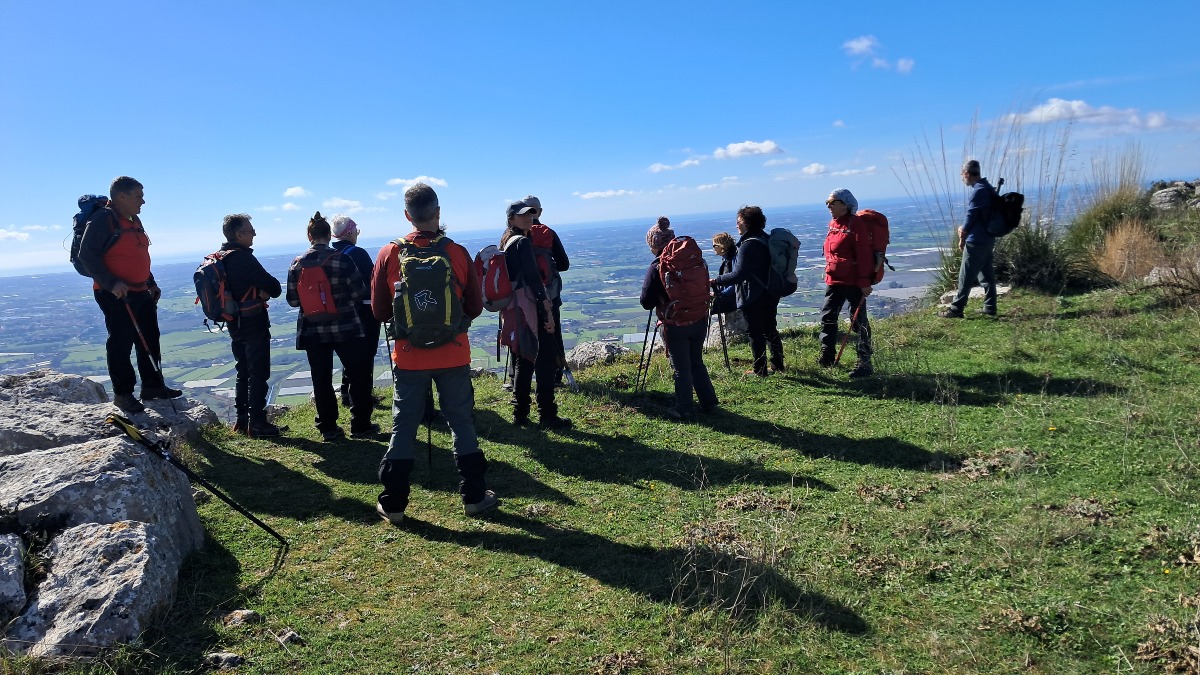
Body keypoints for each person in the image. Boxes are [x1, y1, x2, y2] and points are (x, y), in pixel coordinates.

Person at [370, 183, 497, 522]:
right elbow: (474, 305)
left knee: (403, 426)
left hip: (409, 357)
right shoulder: (456, 252)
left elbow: (380, 313)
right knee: (461, 422)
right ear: (438, 213)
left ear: (407, 216)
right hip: (453, 354)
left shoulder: (388, 254)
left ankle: (394, 504)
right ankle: (473, 497)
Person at [77, 176, 182, 414]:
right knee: (121, 342)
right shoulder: (104, 219)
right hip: (115, 293)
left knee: (149, 338)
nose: (143, 201)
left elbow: (138, 256)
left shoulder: (134, 220)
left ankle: (153, 387)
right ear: (121, 196)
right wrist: (111, 283)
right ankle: (123, 394)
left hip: (140, 290)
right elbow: (87, 255)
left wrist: (150, 282)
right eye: (139, 196)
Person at [286, 212, 374, 441]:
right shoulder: (343, 259)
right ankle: (361, 425)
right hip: (346, 326)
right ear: (329, 235)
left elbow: (293, 300)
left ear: (309, 236)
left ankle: (328, 427)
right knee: (358, 374)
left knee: (321, 378)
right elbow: (359, 292)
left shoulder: (297, 263)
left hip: (312, 330)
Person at [501, 199, 572, 429]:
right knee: (544, 360)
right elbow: (534, 279)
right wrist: (547, 310)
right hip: (532, 306)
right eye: (522, 215)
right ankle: (547, 415)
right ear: (511, 218)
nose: (528, 218)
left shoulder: (507, 240)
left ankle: (520, 415)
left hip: (515, 307)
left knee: (523, 360)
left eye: (531, 214)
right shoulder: (522, 243)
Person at [639, 219, 719, 421]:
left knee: (681, 368)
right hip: (699, 317)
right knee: (696, 361)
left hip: (674, 322)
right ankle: (709, 402)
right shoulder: (692, 258)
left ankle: (684, 408)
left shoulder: (658, 265)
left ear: (653, 244)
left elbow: (646, 302)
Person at [217, 214, 283, 436]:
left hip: (234, 323)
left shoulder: (221, 257)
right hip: (253, 322)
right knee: (258, 372)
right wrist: (263, 292)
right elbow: (274, 287)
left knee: (243, 371)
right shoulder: (242, 258)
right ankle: (257, 422)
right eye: (250, 230)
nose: (254, 234)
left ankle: (242, 420)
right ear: (238, 234)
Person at [711, 206, 784, 376]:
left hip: (754, 295)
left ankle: (759, 370)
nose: (737, 226)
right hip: (771, 291)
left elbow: (739, 274)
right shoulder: (766, 238)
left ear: (746, 223)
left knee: (755, 332)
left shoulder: (748, 245)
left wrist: (715, 281)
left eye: (738, 222)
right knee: (770, 328)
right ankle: (778, 365)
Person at [819, 189, 875, 378]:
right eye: (827, 203)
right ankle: (827, 357)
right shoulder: (833, 224)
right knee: (828, 317)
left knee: (858, 322)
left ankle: (864, 363)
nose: (829, 207)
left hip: (853, 282)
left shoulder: (855, 224)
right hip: (834, 280)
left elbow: (864, 254)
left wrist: (864, 282)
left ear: (845, 204)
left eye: (832, 202)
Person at [329, 214, 382, 409]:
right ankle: (363, 397)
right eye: (356, 232)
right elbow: (373, 281)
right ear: (350, 233)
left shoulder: (330, 253)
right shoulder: (357, 253)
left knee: (349, 354)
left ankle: (346, 393)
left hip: (339, 313)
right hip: (364, 311)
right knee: (366, 354)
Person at [941, 159, 1000, 318]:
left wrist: (963, 233)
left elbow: (971, 215)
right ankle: (990, 307)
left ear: (967, 174)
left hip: (976, 240)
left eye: (962, 174)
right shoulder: (987, 188)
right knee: (986, 274)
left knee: (965, 276)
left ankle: (956, 309)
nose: (962, 178)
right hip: (988, 239)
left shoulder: (979, 191)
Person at [523, 195, 570, 386]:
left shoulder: (515, 235)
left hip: (524, 296)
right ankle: (556, 375)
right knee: (553, 333)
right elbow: (564, 264)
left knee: (524, 334)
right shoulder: (548, 233)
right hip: (550, 295)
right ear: (540, 212)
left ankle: (517, 378)